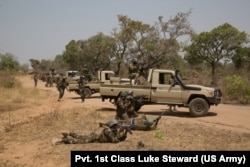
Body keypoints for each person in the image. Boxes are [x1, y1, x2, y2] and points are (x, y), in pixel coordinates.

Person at [52, 119, 129, 145]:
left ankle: (69, 133)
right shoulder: (108, 130)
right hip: (94, 138)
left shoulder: (112, 130)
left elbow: (118, 137)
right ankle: (60, 140)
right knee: (79, 141)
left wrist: (124, 133)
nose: (117, 127)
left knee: (80, 137)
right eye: (116, 125)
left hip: (94, 137)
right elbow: (114, 140)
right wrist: (121, 133)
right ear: (113, 125)